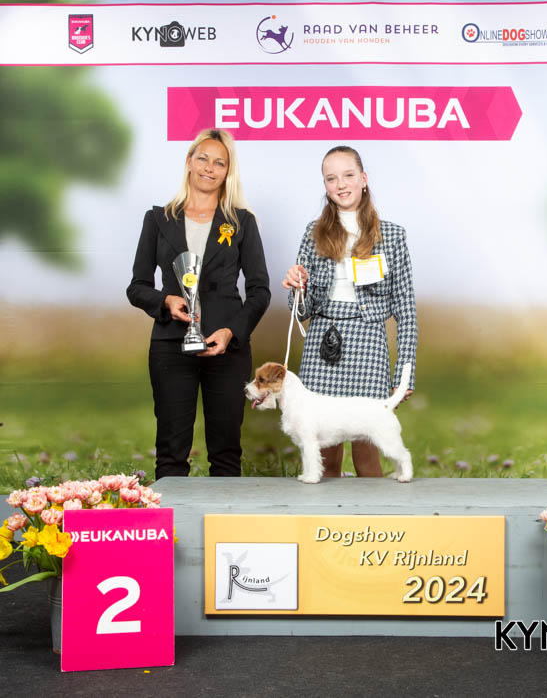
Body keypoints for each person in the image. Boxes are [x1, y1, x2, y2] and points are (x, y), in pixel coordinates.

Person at [127, 128, 270, 479]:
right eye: (203, 158)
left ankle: (226, 515)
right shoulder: (157, 219)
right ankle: (174, 516)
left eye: (219, 162)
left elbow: (260, 291)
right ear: (189, 161)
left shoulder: (242, 222)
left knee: (226, 452)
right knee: (171, 451)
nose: (209, 167)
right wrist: (166, 301)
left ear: (228, 171)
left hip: (227, 349)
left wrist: (231, 332)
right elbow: (137, 287)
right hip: (170, 347)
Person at [283, 145, 417, 478]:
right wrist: (297, 287)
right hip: (322, 343)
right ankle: (325, 513)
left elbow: (406, 309)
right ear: (325, 185)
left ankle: (371, 513)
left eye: (348, 175)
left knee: (367, 452)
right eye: (331, 178)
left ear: (363, 179)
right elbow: (301, 311)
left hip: (368, 344)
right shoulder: (312, 233)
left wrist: (406, 372)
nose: (341, 184)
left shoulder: (393, 236)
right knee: (324, 456)